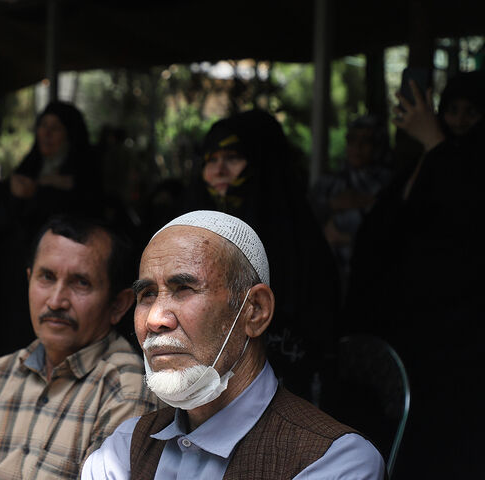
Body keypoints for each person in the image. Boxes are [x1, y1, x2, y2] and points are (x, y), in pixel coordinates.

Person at [82, 210, 384, 479]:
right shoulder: (124, 451)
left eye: (184, 289)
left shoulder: (333, 461)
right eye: (147, 294)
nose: (155, 319)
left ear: (255, 311)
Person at [0, 215, 160, 480]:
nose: (56, 301)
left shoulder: (126, 390)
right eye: (46, 277)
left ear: (118, 305)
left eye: (81, 282)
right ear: (29, 280)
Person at [345, 71, 485, 477]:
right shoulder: (419, 165)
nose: (458, 121)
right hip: (408, 343)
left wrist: (437, 145)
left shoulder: (458, 164)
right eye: (451, 110)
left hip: (462, 351)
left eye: (471, 113)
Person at [181, 111, 340, 401]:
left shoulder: (294, 241)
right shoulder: (186, 231)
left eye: (232, 158)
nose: (218, 171)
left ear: (260, 164)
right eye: (211, 160)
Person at [310, 115, 392, 286]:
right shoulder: (329, 184)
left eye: (367, 141)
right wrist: (332, 205)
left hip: (376, 281)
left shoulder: (390, 186)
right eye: (352, 139)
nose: (357, 147)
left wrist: (346, 238)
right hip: (329, 281)